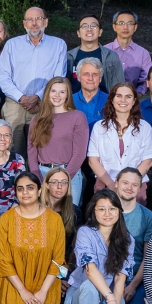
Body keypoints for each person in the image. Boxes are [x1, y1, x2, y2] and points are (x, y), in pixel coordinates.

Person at [64, 189, 134, 304]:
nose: (107, 213)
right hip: (81, 294)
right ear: (93, 211)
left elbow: (120, 277)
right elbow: (90, 270)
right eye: (101, 209)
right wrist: (111, 299)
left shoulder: (128, 239)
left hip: (108, 295)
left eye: (112, 209)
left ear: (119, 210)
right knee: (90, 286)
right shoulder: (85, 233)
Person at [0, 171, 65, 304]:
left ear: (40, 191)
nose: (25, 192)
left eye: (30, 188)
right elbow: (3, 260)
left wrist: (42, 292)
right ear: (16, 192)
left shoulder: (55, 219)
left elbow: (58, 260)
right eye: (20, 189)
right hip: (16, 285)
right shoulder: (6, 219)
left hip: (44, 285)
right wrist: (23, 292)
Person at [0, 7, 68, 155]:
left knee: (42, 150)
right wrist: (22, 98)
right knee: (12, 151)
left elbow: (58, 77)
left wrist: (37, 97)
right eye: (30, 19)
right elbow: (2, 76)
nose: (34, 23)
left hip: (43, 106)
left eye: (38, 19)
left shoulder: (58, 45)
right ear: (24, 24)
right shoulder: (11, 45)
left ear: (46, 22)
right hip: (15, 106)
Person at [88, 83, 152, 201]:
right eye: (119, 96)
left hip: (135, 188)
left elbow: (147, 162)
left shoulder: (145, 127)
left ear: (134, 101)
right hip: (105, 185)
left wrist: (130, 184)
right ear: (112, 99)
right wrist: (112, 186)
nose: (123, 100)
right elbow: (93, 161)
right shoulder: (99, 127)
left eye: (128, 96)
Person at [27, 77, 91, 208]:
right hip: (43, 175)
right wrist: (38, 178)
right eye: (53, 91)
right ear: (47, 94)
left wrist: (63, 180)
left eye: (62, 92)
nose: (57, 95)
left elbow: (79, 153)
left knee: (68, 221)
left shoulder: (78, 117)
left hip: (69, 175)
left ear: (68, 95)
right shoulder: (37, 119)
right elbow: (32, 151)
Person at [113, 168, 152, 304]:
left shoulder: (147, 216)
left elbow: (149, 257)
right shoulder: (104, 211)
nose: (129, 188)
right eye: (125, 183)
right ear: (116, 183)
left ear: (140, 188)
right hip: (109, 277)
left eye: (134, 184)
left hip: (136, 278)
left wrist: (132, 286)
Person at [66, 14, 124, 93]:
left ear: (100, 32)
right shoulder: (68, 57)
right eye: (84, 26)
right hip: (74, 103)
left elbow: (119, 87)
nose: (89, 29)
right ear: (78, 33)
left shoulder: (111, 57)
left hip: (104, 103)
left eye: (93, 26)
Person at [0, 120, 26, 222]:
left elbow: (22, 189)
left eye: (6, 135)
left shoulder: (18, 159)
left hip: (13, 214)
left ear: (11, 139)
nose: (2, 139)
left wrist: (8, 216)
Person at [105, 10, 152, 94]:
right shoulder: (104, 51)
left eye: (130, 23)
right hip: (107, 99)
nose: (125, 27)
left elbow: (145, 80)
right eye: (121, 23)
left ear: (135, 27)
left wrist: (135, 96)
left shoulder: (143, 53)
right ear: (114, 27)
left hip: (133, 100)